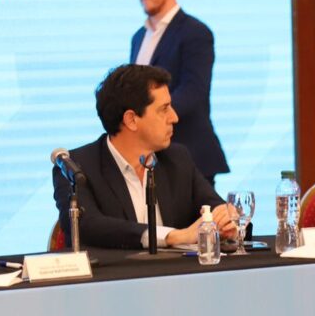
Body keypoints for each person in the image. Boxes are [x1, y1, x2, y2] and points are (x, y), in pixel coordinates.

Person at [52, 64, 236, 250]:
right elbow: (87, 226)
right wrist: (173, 236)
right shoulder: (75, 168)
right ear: (131, 120)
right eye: (164, 109)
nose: (174, 117)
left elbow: (215, 207)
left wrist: (226, 220)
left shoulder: (177, 159)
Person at [131, 0, 228, 188]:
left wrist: (150, 116)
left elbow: (194, 90)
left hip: (189, 155)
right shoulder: (139, 37)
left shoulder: (195, 32)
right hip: (148, 158)